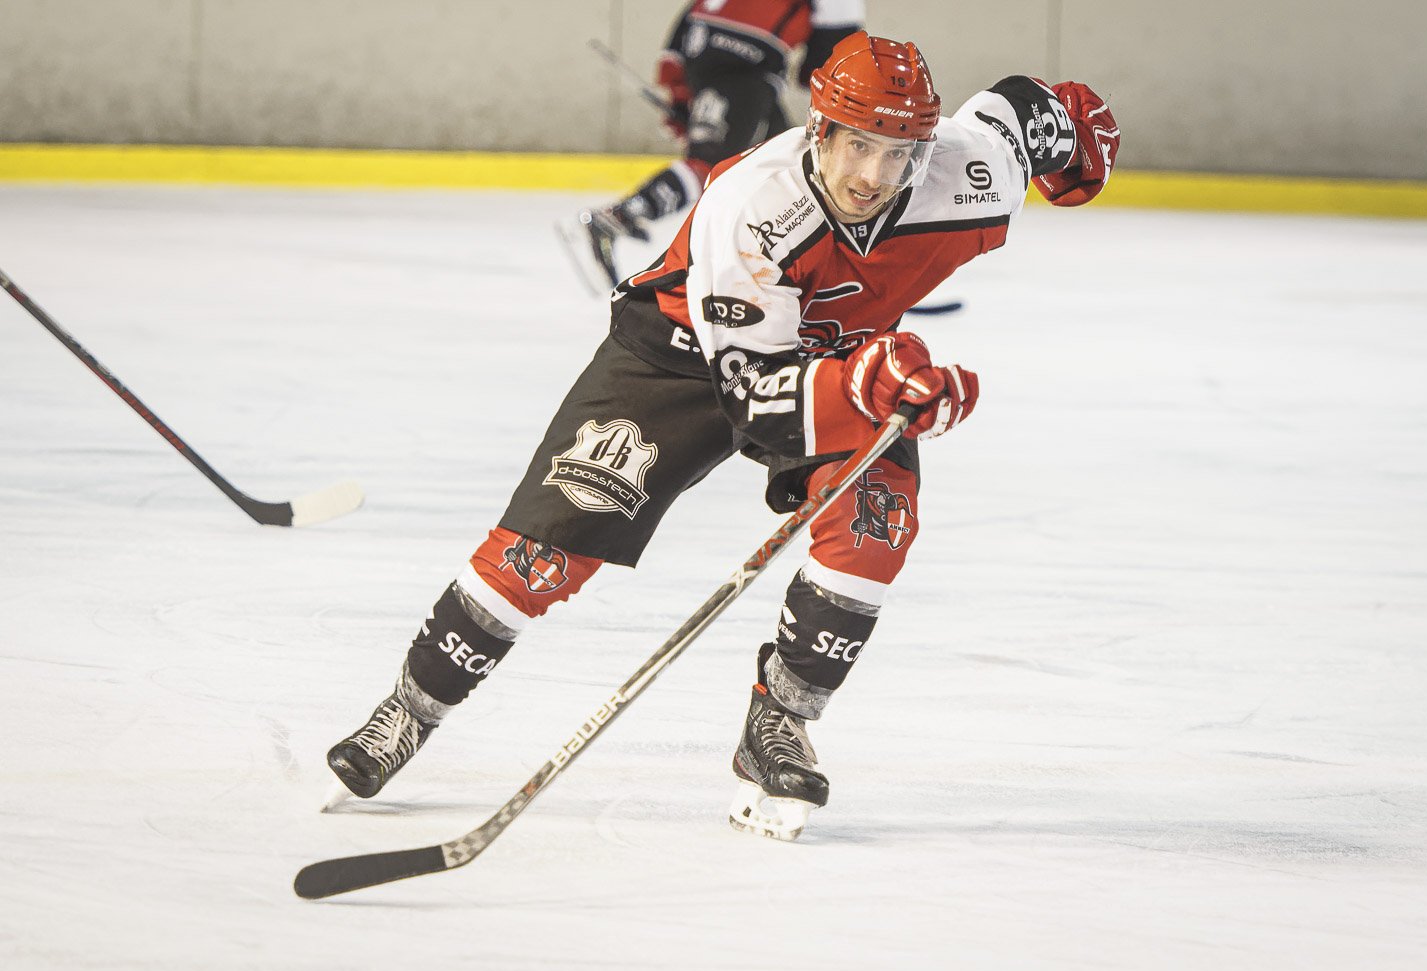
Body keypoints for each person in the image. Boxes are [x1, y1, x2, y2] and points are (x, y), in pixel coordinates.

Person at [329, 31, 1121, 841]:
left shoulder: (970, 175)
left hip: (842, 358)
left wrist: (1069, 129)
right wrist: (871, 386)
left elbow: (1015, 113)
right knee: (543, 553)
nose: (873, 176)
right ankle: (408, 710)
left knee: (877, 521)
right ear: (819, 131)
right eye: (857, 146)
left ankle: (779, 722)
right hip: (679, 358)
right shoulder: (750, 203)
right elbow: (753, 401)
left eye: (897, 153)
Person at [558, 0, 865, 293]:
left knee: (790, 166)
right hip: (749, 65)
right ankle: (612, 219)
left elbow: (685, 27)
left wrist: (680, 92)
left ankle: (790, 265)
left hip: (702, 52)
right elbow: (827, 62)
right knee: (718, 166)